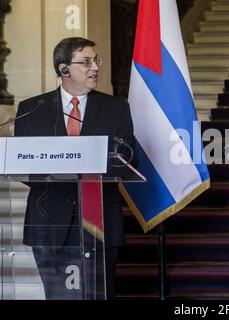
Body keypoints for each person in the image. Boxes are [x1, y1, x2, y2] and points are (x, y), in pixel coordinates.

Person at [14, 37, 137, 300]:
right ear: (64, 69)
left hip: (100, 221)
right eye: (86, 62)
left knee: (100, 294)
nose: (95, 67)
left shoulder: (116, 108)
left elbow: (129, 160)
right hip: (48, 221)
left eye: (96, 60)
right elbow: (24, 164)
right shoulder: (31, 109)